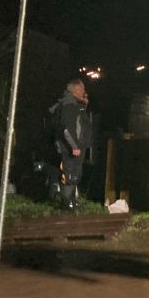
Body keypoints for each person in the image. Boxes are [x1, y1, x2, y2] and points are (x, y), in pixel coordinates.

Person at [54, 79, 92, 210]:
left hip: (78, 145)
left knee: (75, 173)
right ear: (76, 90)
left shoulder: (75, 104)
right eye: (82, 89)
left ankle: (72, 200)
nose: (84, 92)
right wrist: (74, 146)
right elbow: (67, 129)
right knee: (69, 173)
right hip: (70, 147)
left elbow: (80, 122)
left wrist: (84, 105)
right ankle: (67, 203)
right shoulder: (69, 105)